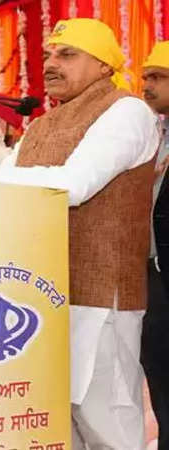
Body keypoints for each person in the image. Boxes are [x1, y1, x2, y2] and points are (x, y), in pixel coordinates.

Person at [0, 19, 159, 448]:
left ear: (104, 66)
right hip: (38, 290)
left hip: (98, 292)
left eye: (67, 54)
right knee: (54, 417)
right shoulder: (42, 124)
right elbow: (3, 180)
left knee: (105, 417)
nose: (51, 64)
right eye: (48, 55)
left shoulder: (127, 111)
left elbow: (75, 184)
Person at [141, 40, 169, 450]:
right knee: (160, 376)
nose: (147, 85)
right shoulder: (150, 133)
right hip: (152, 272)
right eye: (145, 77)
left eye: (158, 77)